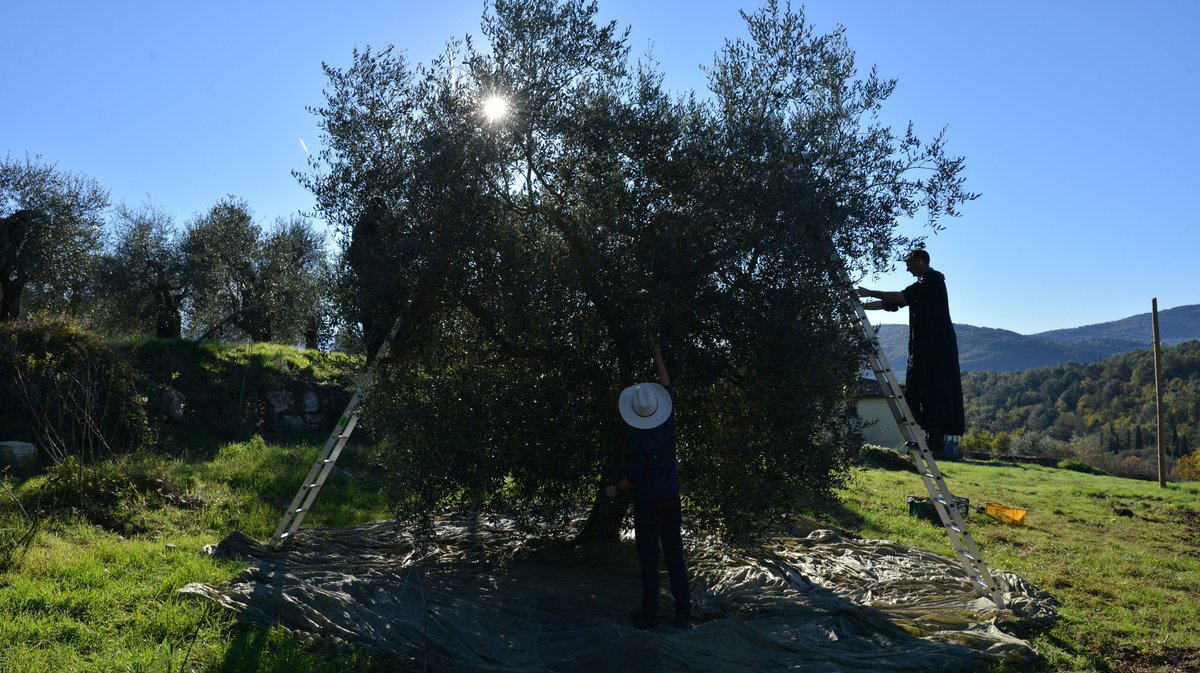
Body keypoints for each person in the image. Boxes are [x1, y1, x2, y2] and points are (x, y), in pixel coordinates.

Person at [605, 343, 691, 630]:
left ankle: (650, 616)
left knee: (649, 560)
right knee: (675, 557)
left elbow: (635, 478)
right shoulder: (667, 426)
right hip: (671, 499)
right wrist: (657, 355)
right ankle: (683, 615)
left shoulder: (637, 439)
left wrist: (616, 489)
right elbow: (666, 387)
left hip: (648, 504)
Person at [855, 249, 965, 459]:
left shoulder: (932, 280)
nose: (907, 268)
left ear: (921, 261)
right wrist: (861, 306)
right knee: (923, 387)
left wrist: (869, 292)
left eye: (909, 263)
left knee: (934, 388)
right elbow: (891, 303)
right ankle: (929, 437)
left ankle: (935, 440)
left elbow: (900, 296)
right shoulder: (923, 285)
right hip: (924, 344)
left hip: (936, 345)